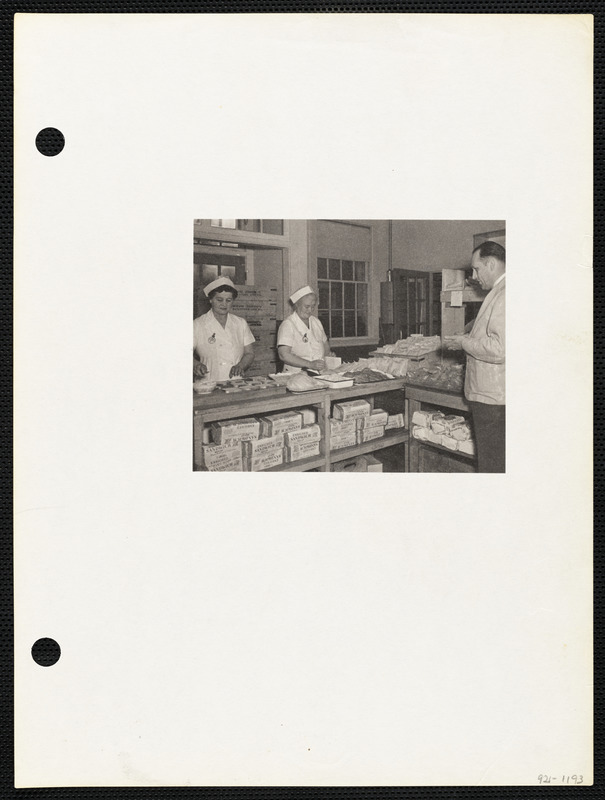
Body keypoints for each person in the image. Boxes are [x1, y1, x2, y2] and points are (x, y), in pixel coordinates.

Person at [444, 241, 505, 472]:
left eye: (476, 269)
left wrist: (463, 342)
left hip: (492, 397)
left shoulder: (505, 293)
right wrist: (469, 332)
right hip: (489, 395)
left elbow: (500, 348)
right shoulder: (498, 292)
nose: (474, 275)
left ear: (490, 264)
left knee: (492, 465)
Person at [193, 277, 255, 381]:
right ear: (210, 300)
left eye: (228, 300)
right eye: (219, 300)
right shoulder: (198, 324)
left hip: (236, 381)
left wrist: (240, 366)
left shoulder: (240, 323)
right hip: (209, 381)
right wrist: (196, 364)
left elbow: (250, 353)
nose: (224, 304)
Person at [277, 285, 333, 373]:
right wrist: (310, 364)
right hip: (295, 374)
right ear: (297, 305)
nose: (310, 310)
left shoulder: (316, 322)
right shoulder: (288, 324)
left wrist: (328, 356)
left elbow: (325, 346)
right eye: (306, 306)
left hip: (319, 373)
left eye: (313, 306)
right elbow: (284, 355)